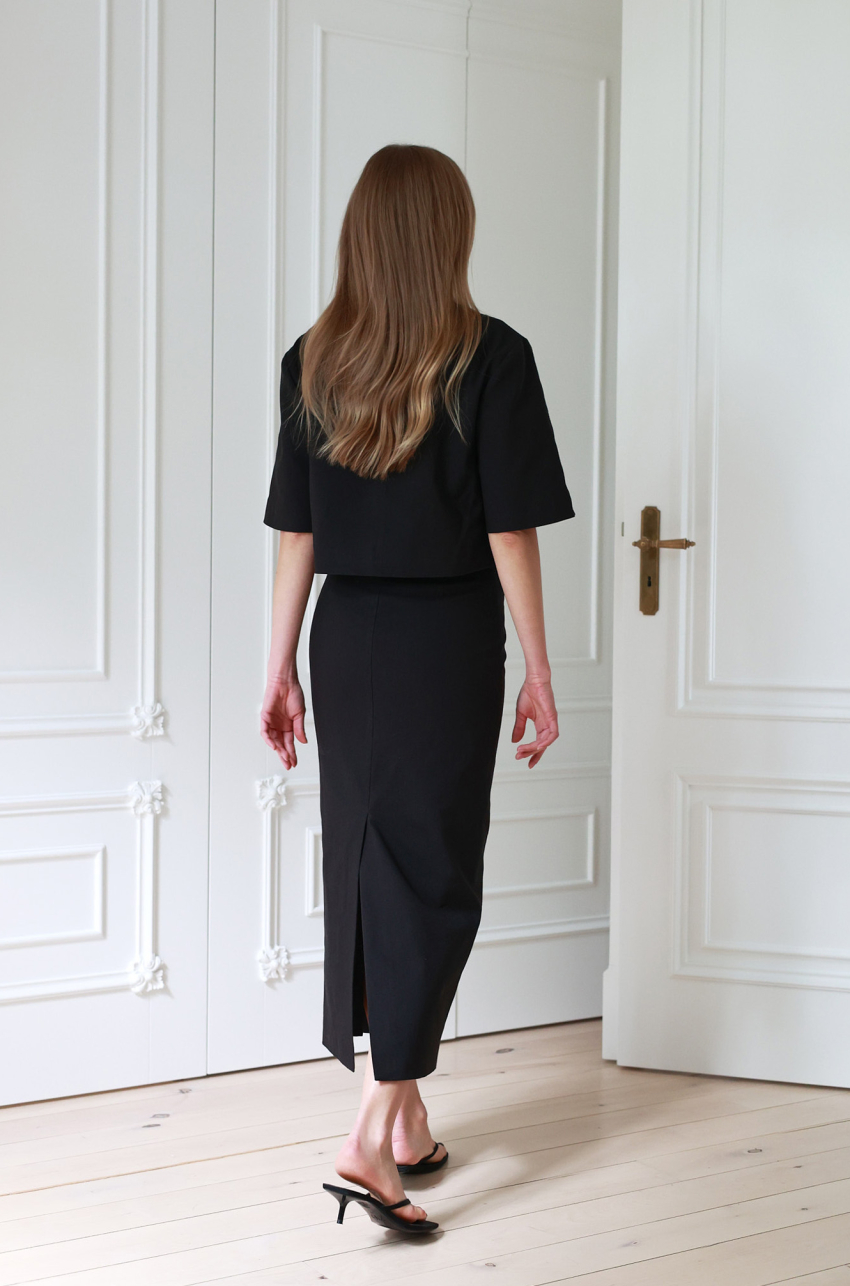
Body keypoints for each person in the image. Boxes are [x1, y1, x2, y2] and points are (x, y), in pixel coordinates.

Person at [261, 144, 574, 1235]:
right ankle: (366, 1136)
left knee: (370, 869)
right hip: (442, 642)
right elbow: (509, 530)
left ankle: (406, 1123)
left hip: (345, 638)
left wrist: (278, 665)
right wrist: (540, 667)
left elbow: (297, 534)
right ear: (449, 233)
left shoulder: (312, 358)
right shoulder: (493, 356)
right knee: (432, 878)